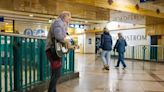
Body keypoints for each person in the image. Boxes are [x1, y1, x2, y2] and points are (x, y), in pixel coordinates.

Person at [45, 11, 71, 92]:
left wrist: (66, 25)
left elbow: (63, 35)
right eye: (69, 17)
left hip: (55, 50)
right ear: (64, 16)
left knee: (55, 73)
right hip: (53, 50)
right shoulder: (58, 23)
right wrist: (67, 41)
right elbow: (59, 36)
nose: (70, 19)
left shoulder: (61, 23)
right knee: (57, 73)